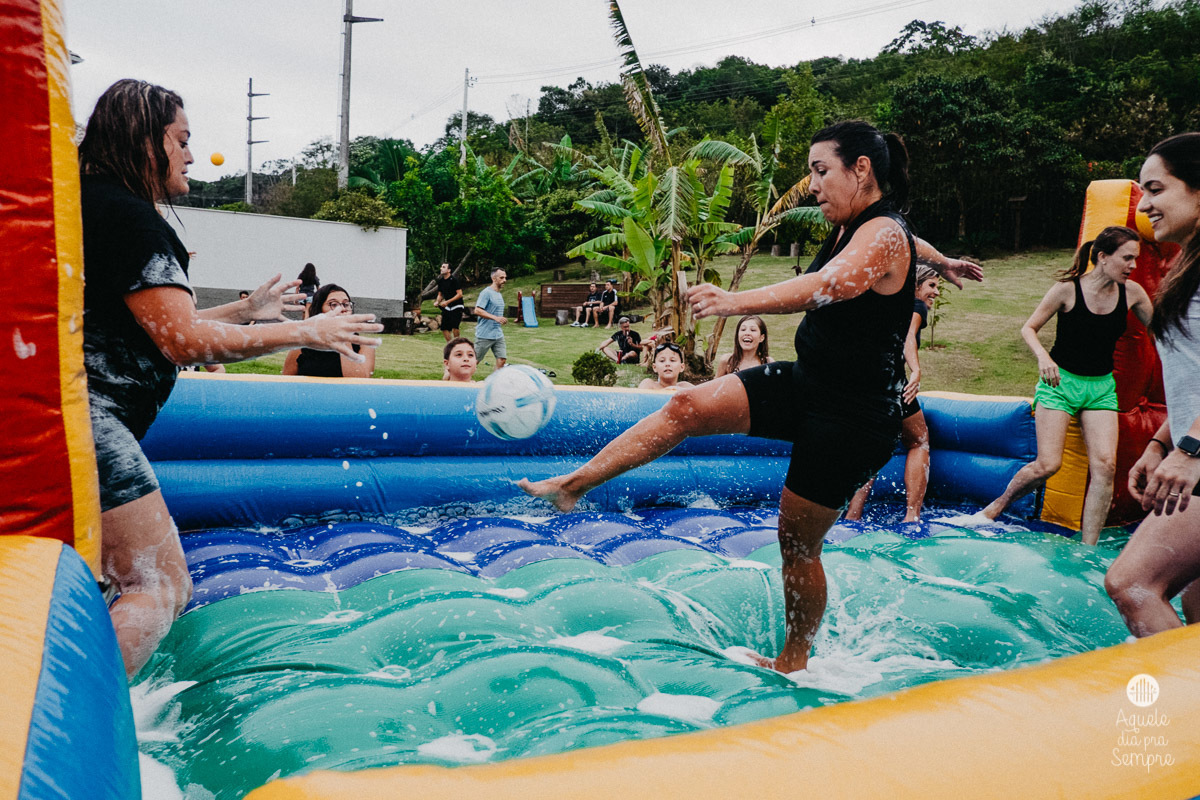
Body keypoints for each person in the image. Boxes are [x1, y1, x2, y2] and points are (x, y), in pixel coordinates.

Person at [520, 121, 981, 673]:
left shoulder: (880, 234)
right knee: (686, 406)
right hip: (809, 383)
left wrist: (734, 300)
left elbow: (825, 285)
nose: (812, 185)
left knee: (796, 542)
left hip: (853, 416)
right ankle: (572, 487)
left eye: (820, 171)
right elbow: (906, 241)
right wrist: (941, 260)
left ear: (861, 169)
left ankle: (794, 659)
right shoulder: (864, 226)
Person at [78, 79, 382, 677]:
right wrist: (306, 332)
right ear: (146, 142)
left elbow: (138, 329)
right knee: (159, 585)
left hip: (67, 415)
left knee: (102, 580)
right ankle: (68, 739)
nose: (191, 155)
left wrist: (243, 313)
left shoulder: (89, 204)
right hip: (93, 419)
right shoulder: (132, 219)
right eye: (182, 140)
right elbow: (183, 341)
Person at [981, 226, 1153, 544]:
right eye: (1127, 258)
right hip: (1059, 383)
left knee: (1106, 465)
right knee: (1048, 464)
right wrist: (1044, 358)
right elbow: (1029, 328)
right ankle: (994, 509)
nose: (1133, 265)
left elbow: (1164, 331)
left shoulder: (1133, 293)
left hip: (1100, 388)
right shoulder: (1067, 290)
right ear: (1103, 257)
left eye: (1136, 259)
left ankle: (1087, 548)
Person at [1106, 132, 1200, 635]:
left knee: (1132, 582)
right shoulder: (1187, 266)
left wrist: (1191, 449)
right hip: (1190, 452)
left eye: (1157, 189)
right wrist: (1161, 443)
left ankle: (1184, 716)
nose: (1144, 205)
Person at [844, 265, 941, 523]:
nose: (936, 292)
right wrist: (916, 370)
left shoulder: (887, 304)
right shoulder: (916, 306)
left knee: (870, 446)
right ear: (917, 285)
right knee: (919, 440)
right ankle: (912, 516)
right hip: (890, 381)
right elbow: (908, 336)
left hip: (864, 381)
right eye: (932, 285)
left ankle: (852, 515)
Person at [282, 284, 377, 378]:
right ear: (320, 311)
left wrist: (344, 335)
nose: (342, 309)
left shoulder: (365, 345)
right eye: (334, 304)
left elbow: (358, 381)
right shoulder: (303, 343)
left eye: (346, 304)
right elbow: (286, 381)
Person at [474, 267, 508, 371]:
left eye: (505, 278)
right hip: (485, 334)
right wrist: (495, 318)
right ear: (494, 278)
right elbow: (477, 310)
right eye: (501, 278)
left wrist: (500, 319)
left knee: (502, 359)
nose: (504, 280)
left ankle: (494, 382)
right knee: (474, 361)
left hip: (497, 334)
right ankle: (453, 380)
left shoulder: (498, 294)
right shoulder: (486, 293)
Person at [434, 263, 465, 342]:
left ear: (449, 270)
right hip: (447, 307)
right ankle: (450, 345)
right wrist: (437, 301)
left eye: (443, 267)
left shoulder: (454, 280)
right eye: (441, 267)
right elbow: (440, 295)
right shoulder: (440, 281)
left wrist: (447, 302)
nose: (441, 268)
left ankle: (457, 344)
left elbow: (460, 294)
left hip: (457, 305)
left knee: (455, 326)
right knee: (444, 328)